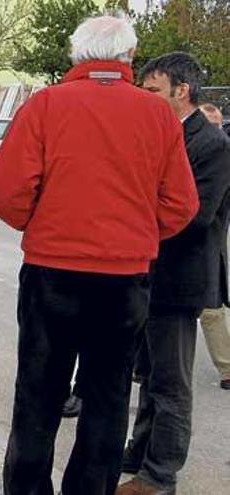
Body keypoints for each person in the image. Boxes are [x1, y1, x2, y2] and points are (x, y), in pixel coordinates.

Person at [0, 16, 199, 495]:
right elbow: (181, 203)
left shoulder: (45, 106)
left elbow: (7, 192)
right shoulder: (159, 115)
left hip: (52, 272)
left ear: (76, 54)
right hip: (124, 279)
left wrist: (42, 225)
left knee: (38, 393)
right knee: (107, 396)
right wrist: (138, 234)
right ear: (128, 56)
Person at [118, 53, 230, 495]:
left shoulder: (212, 145)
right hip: (150, 273)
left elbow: (195, 216)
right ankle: (141, 450)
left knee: (171, 383)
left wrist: (132, 215)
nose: (146, 100)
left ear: (180, 92)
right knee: (150, 375)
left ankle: (160, 474)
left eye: (153, 92)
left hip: (180, 279)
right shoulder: (164, 134)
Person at [197, 103, 230, 391]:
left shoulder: (222, 153)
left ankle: (227, 369)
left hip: (212, 241)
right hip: (200, 240)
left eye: (218, 126)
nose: (215, 132)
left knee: (211, 309)